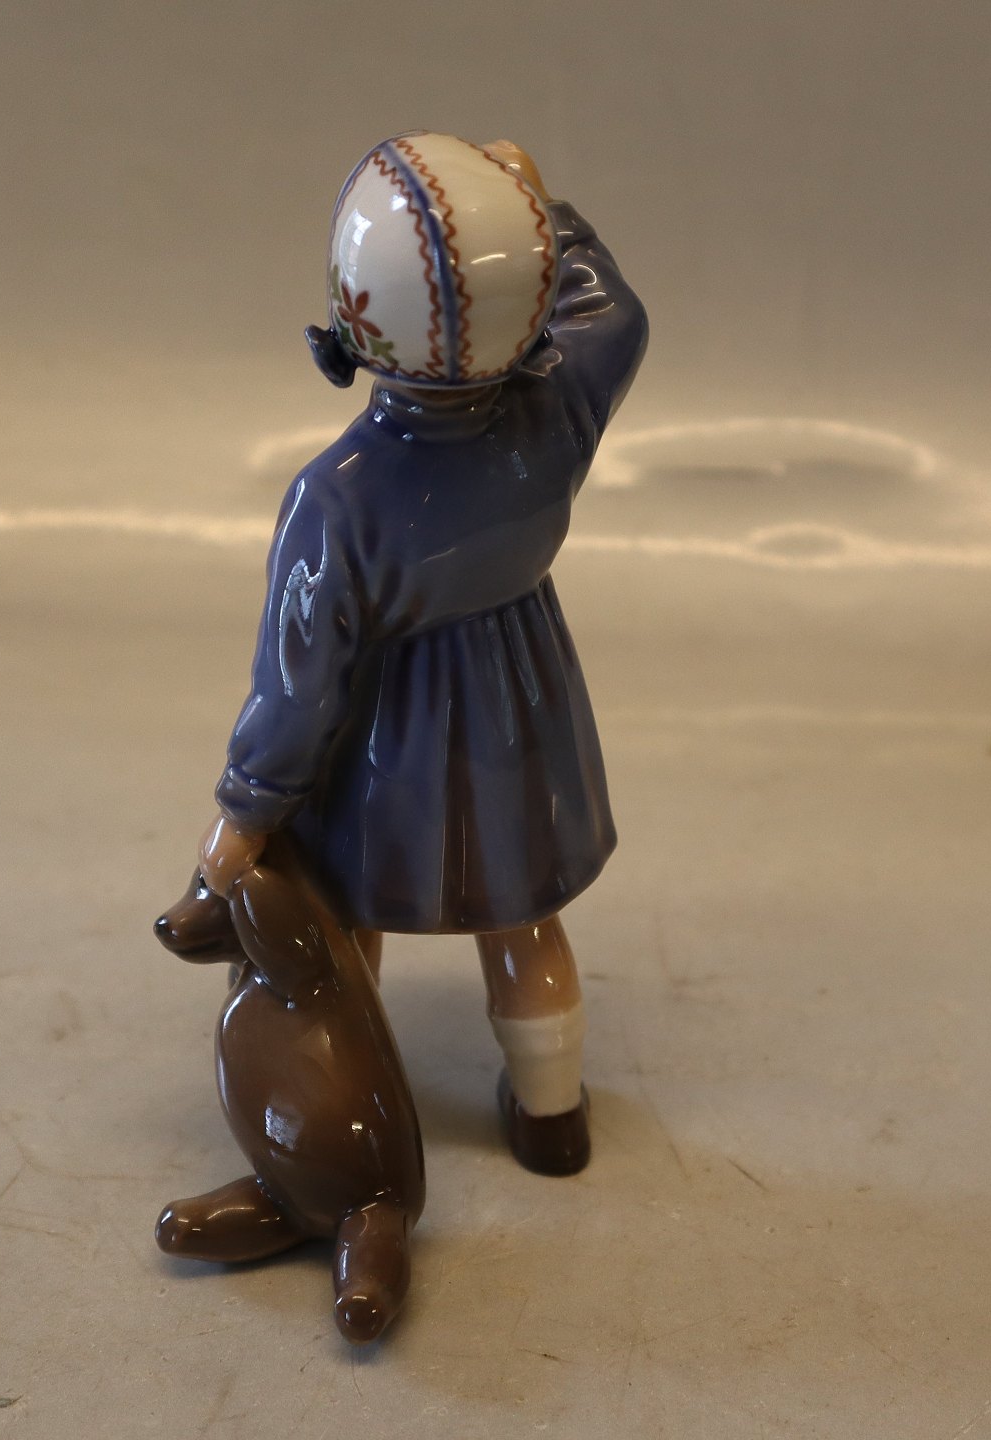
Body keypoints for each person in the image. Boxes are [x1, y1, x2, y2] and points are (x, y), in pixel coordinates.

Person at [196, 132, 648, 1177]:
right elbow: (615, 315)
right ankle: (551, 1114)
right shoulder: (556, 416)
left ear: (353, 314)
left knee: (344, 924)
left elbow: (297, 690)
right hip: (521, 710)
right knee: (525, 921)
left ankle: (361, 1103)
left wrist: (244, 816)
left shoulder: (334, 499)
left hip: (378, 740)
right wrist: (545, 209)